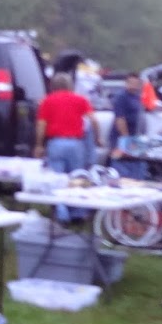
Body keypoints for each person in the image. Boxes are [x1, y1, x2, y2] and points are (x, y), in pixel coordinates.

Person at [34, 74, 94, 221]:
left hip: (56, 143)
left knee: (57, 179)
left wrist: (39, 144)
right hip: (75, 143)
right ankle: (78, 213)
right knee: (76, 178)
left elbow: (41, 125)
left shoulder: (46, 101)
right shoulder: (80, 99)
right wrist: (98, 138)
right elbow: (93, 120)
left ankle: (61, 214)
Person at [109, 72, 147, 179]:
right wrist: (125, 139)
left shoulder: (138, 97)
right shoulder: (121, 97)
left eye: (136, 83)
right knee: (121, 168)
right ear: (126, 83)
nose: (134, 85)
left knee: (137, 168)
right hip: (123, 138)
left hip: (137, 139)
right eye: (131, 82)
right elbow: (120, 119)